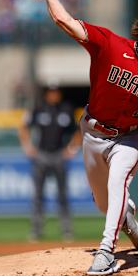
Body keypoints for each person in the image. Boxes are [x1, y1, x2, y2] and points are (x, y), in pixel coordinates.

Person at [32, 0, 138, 276]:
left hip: (130, 138)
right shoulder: (110, 45)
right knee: (104, 203)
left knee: (119, 180)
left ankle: (106, 252)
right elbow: (65, 22)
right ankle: (126, 215)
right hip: (92, 132)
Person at [18, 85, 81, 241]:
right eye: (51, 92)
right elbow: (23, 126)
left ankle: (66, 230)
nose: (54, 95)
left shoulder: (66, 109)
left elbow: (79, 130)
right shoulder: (38, 109)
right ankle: (36, 230)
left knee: (62, 194)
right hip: (42, 154)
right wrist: (27, 146)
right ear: (47, 94)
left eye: (56, 92)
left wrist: (72, 148)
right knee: (38, 195)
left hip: (59, 154)